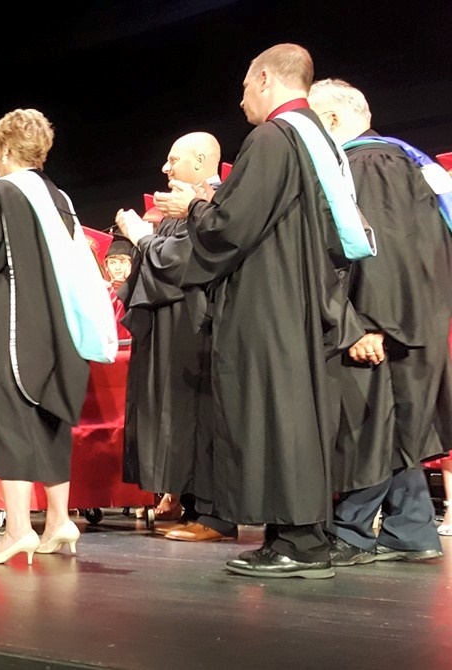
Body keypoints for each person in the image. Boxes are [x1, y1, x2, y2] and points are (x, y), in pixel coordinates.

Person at [124, 44, 368, 578]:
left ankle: (298, 542)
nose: (241, 102)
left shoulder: (273, 138)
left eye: (242, 89)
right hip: (300, 296)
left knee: (275, 417)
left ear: (263, 79)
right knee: (294, 414)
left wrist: (193, 207)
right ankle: (301, 535)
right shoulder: (318, 141)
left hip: (268, 303)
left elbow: (229, 228)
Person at [307, 78, 452, 564]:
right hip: (418, 312)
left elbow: (381, 251)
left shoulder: (369, 162)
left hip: (388, 315)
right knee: (395, 424)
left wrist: (369, 323)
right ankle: (411, 529)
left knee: (372, 424)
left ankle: (350, 532)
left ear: (330, 121)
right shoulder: (406, 160)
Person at [0, 108, 100, 565]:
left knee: (9, 420)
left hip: (14, 323)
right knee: (48, 418)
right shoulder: (59, 198)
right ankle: (58, 520)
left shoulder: (6, 191)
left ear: (6, 150)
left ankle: (17, 530)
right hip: (59, 328)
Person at [116, 131, 238, 543]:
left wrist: (140, 237)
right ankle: (187, 501)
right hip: (174, 325)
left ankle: (213, 514)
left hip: (199, 326)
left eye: (174, 160)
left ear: (202, 161)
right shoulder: (177, 209)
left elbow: (184, 261)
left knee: (201, 414)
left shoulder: (216, 204)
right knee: (177, 414)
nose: (165, 169)